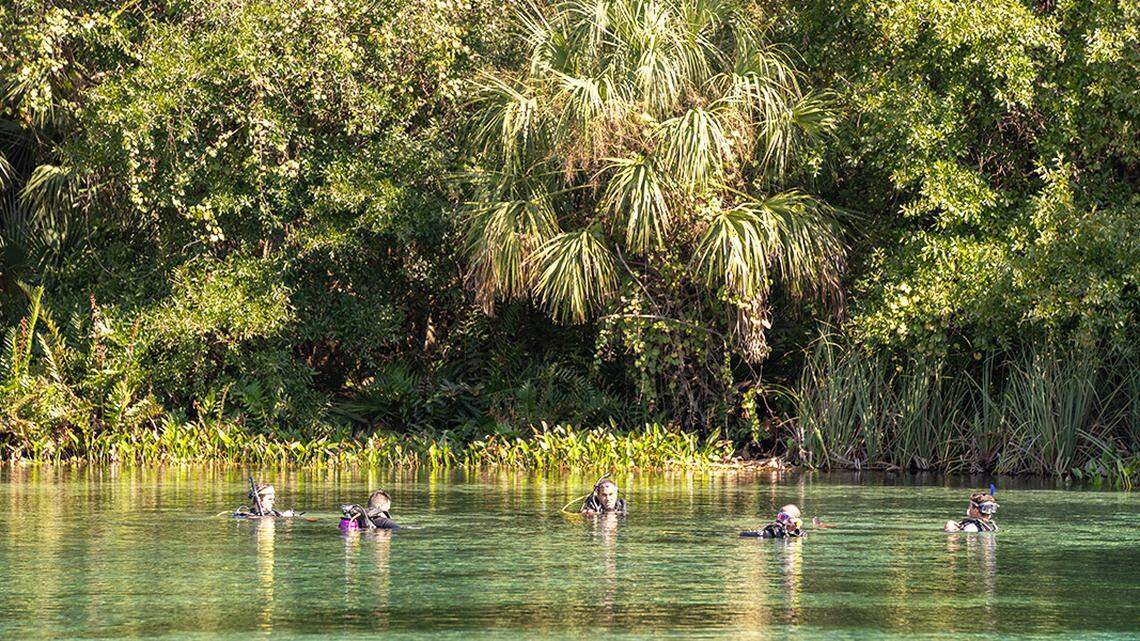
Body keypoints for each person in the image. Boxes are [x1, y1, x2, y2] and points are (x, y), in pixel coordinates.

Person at [741, 504, 805, 539]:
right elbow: (743, 534)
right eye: (780, 516)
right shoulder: (773, 531)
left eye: (785, 517)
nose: (781, 520)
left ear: (796, 521)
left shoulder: (800, 534)